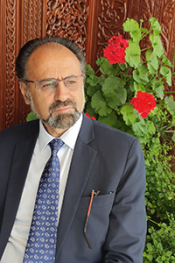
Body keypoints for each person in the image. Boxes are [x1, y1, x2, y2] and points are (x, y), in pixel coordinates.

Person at [0, 36, 146, 263]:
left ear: (83, 82)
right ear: (26, 91)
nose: (62, 95)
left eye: (71, 81)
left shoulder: (121, 154)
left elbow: (124, 256)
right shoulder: (6, 145)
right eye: (48, 84)